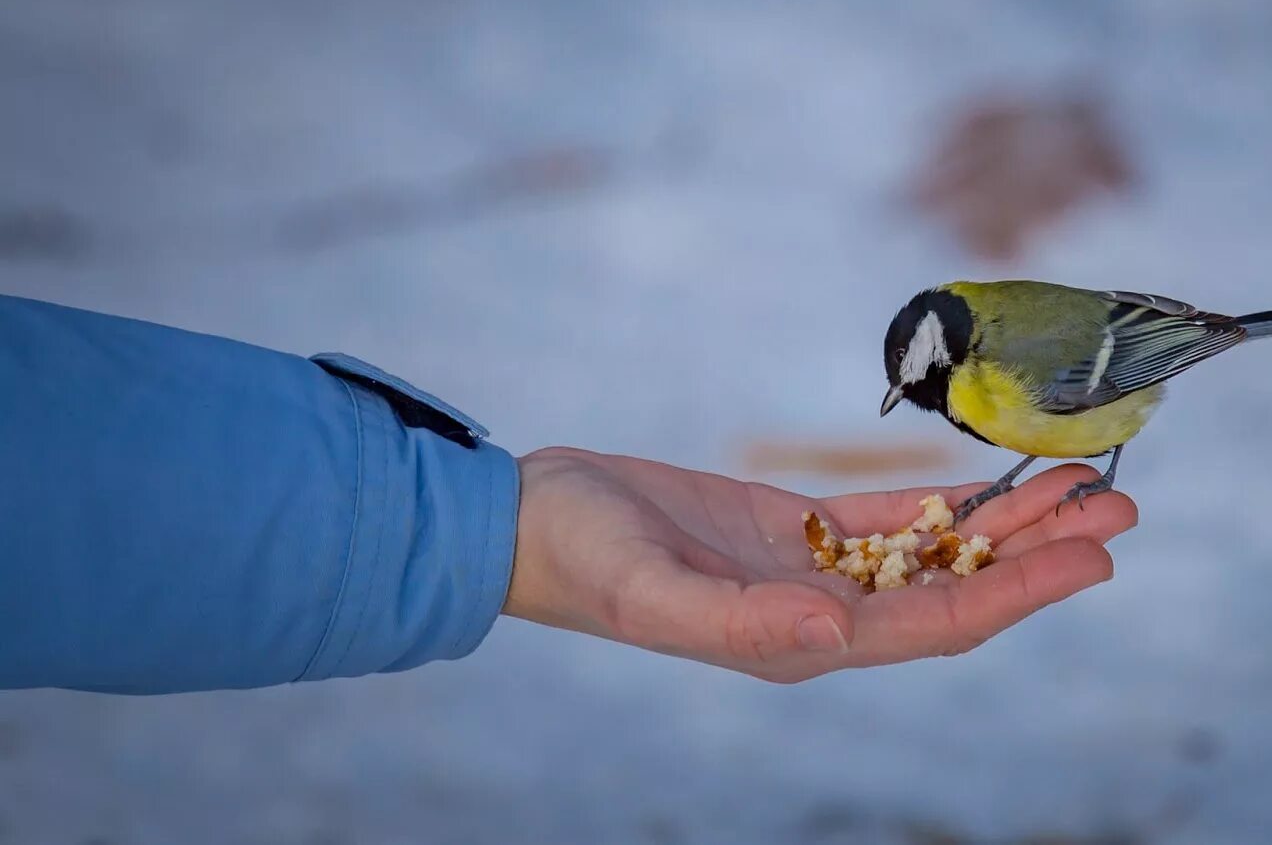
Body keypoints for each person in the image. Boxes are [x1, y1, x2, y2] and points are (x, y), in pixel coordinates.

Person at [0, 294, 1136, 693]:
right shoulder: (980, 353)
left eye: (925, 384)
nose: (923, 400)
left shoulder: (1011, 355)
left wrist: (489, 523)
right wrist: (480, 528)